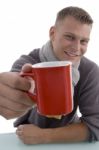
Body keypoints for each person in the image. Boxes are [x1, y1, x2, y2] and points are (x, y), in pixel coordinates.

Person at [0, 6, 99, 144]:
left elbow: (96, 124)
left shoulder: (90, 70)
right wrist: (10, 96)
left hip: (69, 139)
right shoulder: (29, 64)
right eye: (70, 37)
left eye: (84, 41)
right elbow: (12, 84)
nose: (77, 48)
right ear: (53, 33)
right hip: (26, 135)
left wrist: (44, 136)